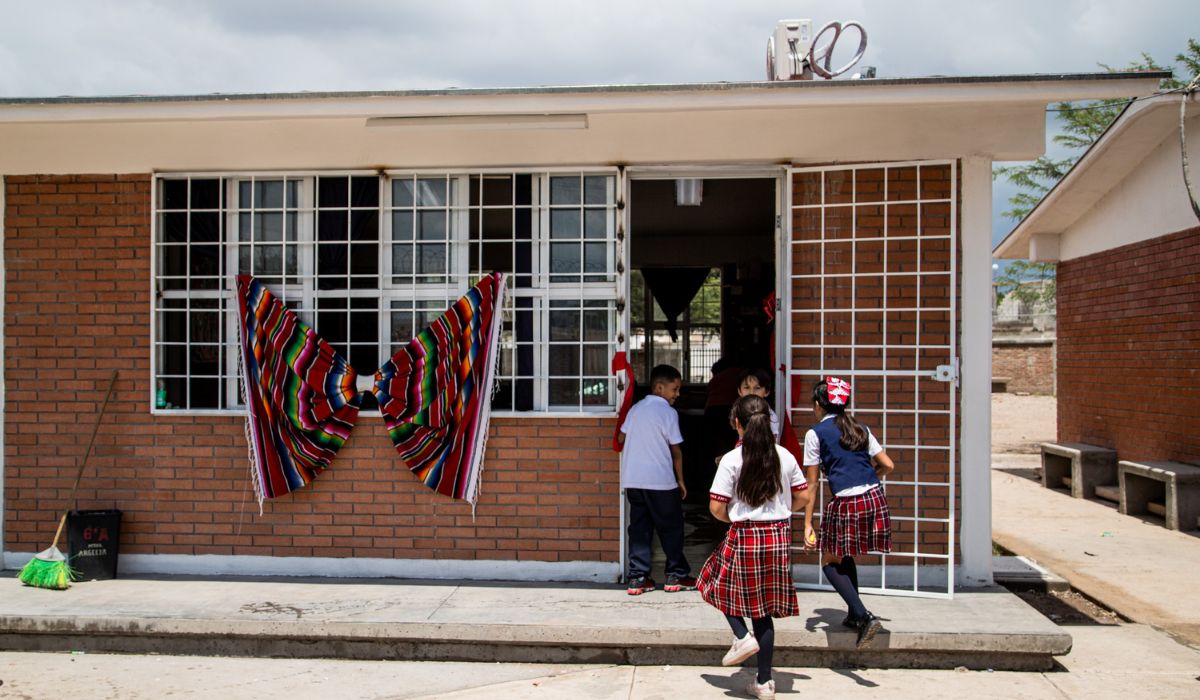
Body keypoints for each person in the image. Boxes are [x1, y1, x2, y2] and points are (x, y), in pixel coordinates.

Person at [697, 394, 811, 700]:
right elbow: (803, 496)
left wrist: (735, 518)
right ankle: (764, 681)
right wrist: (781, 510)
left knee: (711, 582)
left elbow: (717, 507)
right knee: (763, 611)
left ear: (738, 424)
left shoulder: (732, 459)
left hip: (745, 533)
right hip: (778, 536)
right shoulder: (784, 456)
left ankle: (740, 635)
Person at [801, 376, 895, 649]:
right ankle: (854, 614)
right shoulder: (860, 427)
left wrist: (808, 524)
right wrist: (868, 478)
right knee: (846, 553)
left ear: (818, 404)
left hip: (847, 501)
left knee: (829, 561)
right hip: (874, 497)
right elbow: (888, 465)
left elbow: (811, 484)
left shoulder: (815, 433)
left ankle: (864, 616)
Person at [618, 364, 697, 595]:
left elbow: (621, 437)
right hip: (661, 481)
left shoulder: (635, 409)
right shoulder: (668, 413)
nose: (677, 394)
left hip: (634, 480)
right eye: (675, 389)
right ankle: (675, 575)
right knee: (671, 527)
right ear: (660, 388)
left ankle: (637, 578)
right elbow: (676, 450)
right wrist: (681, 480)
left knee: (640, 529)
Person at [737, 368, 781, 442]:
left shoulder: (771, 416)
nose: (751, 392)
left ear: (767, 392)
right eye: (747, 388)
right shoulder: (739, 411)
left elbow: (771, 443)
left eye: (757, 388)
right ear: (739, 391)